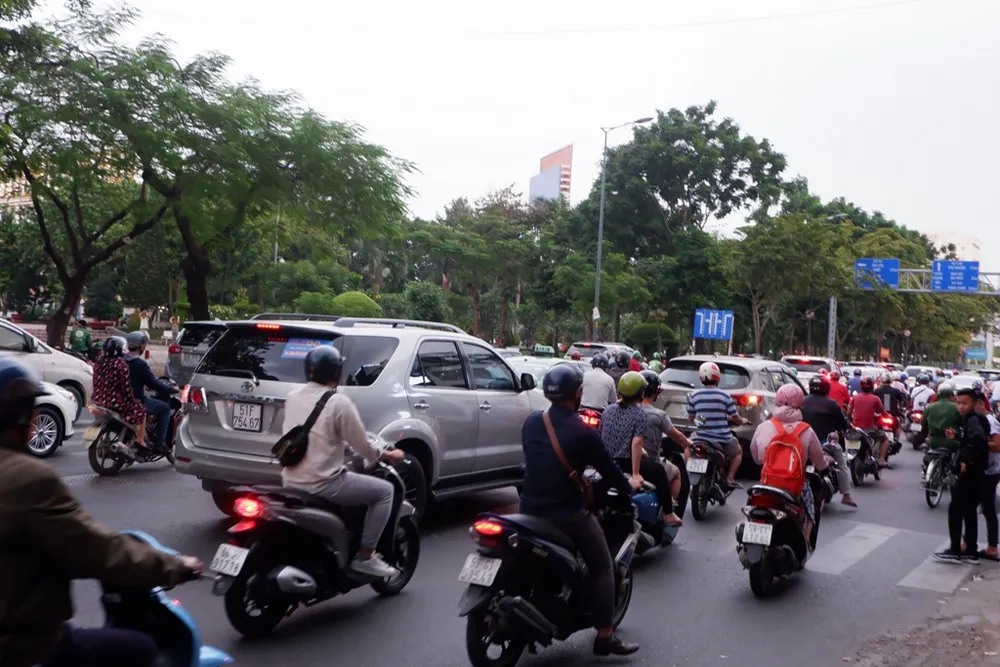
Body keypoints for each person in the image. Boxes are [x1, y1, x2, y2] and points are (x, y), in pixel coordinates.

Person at [0, 358, 202, 667]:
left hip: (106, 406)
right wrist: (174, 566)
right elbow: (96, 549)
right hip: (24, 647)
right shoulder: (29, 479)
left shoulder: (107, 364)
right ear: (19, 416)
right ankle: (153, 443)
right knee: (140, 649)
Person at [518, 364, 640, 656]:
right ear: (578, 393)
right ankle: (605, 636)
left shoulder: (532, 421)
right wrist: (630, 485)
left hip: (528, 510)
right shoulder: (584, 432)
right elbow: (611, 473)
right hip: (566, 515)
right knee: (604, 567)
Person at [281, 346, 405, 577]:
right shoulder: (338, 402)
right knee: (385, 491)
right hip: (323, 484)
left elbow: (310, 434)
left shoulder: (292, 397)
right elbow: (363, 446)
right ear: (336, 372)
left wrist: (343, 447)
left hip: (290, 481)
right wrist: (389, 455)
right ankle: (365, 556)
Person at [750, 383, 829, 546]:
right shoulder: (806, 430)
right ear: (800, 403)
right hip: (794, 487)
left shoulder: (764, 426)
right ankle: (805, 542)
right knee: (811, 508)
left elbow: (756, 456)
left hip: (767, 483)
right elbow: (819, 461)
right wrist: (825, 466)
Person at [601, 372, 680, 525]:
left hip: (607, 462)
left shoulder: (608, 410)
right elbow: (636, 443)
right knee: (659, 470)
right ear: (641, 392)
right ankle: (669, 514)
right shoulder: (640, 414)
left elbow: (605, 435)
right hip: (625, 463)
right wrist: (636, 473)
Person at [934, 387, 989, 563]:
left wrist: (966, 459)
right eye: (958, 403)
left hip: (971, 472)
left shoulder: (973, 420)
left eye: (964, 403)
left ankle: (955, 550)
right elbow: (971, 440)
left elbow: (977, 441)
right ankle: (970, 550)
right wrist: (957, 437)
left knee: (956, 509)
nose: (960, 407)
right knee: (969, 510)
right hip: (977, 472)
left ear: (975, 403)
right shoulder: (974, 419)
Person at [638, 369, 690, 525]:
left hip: (621, 462)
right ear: (656, 392)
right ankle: (668, 511)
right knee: (676, 472)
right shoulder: (658, 415)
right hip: (648, 464)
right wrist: (687, 443)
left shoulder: (619, 410)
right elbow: (677, 436)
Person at [686, 361, 748, 489]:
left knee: (687, 447)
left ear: (701, 378)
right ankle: (730, 478)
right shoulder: (725, 396)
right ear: (717, 377)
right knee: (738, 452)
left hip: (700, 437)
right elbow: (735, 418)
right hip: (722, 438)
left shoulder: (694, 395)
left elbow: (690, 419)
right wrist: (743, 421)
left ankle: (689, 471)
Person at [802, 375, 857, 507]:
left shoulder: (802, 401)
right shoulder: (831, 404)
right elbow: (843, 424)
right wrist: (848, 428)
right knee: (842, 463)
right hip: (825, 443)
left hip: (803, 442)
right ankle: (846, 495)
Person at [91, 336, 148, 450]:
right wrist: (133, 401)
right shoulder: (121, 365)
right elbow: (126, 388)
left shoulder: (99, 362)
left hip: (97, 399)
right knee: (142, 411)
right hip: (114, 402)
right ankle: (140, 439)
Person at [124, 332, 175, 451]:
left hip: (120, 399)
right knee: (165, 409)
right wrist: (170, 389)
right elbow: (153, 383)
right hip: (136, 400)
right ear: (142, 346)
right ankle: (160, 443)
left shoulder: (121, 360)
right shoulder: (140, 364)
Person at [967, 391, 1000, 562]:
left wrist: (977, 444)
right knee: (978, 506)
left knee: (986, 508)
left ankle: (991, 547)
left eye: (969, 404)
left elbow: (997, 445)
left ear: (980, 404)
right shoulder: (979, 420)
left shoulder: (990, 421)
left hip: (989, 470)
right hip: (983, 470)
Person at [847, 376, 890, 467]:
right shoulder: (875, 399)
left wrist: (850, 419)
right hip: (870, 429)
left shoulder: (855, 397)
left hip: (856, 429)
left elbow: (848, 413)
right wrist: (889, 416)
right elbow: (883, 413)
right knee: (885, 438)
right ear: (872, 386)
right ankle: (881, 459)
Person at [922, 386, 962, 454]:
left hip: (933, 442)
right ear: (951, 396)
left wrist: (926, 435)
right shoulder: (957, 407)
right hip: (952, 442)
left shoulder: (930, 406)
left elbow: (923, 423)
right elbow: (963, 423)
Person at [874, 371, 905, 444]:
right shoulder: (896, 391)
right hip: (893, 415)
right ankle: (896, 440)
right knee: (898, 425)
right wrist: (900, 409)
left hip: (880, 414)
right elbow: (901, 402)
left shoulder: (877, 391)